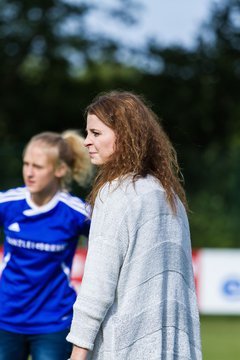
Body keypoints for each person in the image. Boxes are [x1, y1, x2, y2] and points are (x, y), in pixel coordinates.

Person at [66, 91, 202, 360]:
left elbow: (98, 284)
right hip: (173, 348)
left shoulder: (115, 194)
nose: (86, 142)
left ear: (123, 134)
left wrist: (78, 352)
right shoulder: (168, 194)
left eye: (96, 133)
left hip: (124, 347)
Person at [0, 130, 93, 360]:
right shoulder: (9, 203)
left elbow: (115, 239)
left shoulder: (76, 212)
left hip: (54, 322)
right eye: (26, 164)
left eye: (38, 167)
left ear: (60, 170)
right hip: (6, 317)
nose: (29, 173)